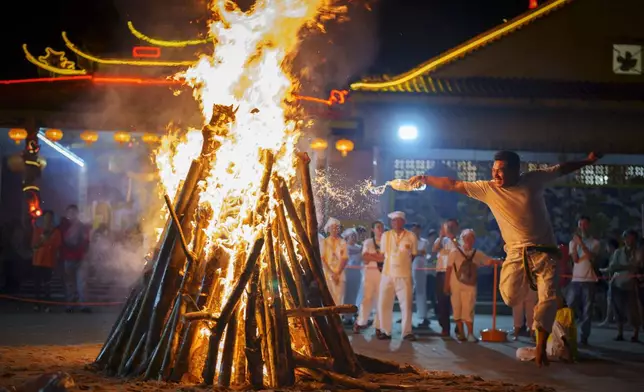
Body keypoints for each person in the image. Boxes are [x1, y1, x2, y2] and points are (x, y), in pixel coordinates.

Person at [410, 151, 603, 367]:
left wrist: (587, 161)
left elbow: (562, 168)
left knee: (547, 300)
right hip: (514, 254)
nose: (495, 174)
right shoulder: (488, 189)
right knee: (510, 297)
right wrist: (425, 178)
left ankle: (541, 347)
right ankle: (545, 302)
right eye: (493, 170)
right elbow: (453, 184)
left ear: (515, 170)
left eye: (500, 170)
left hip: (544, 252)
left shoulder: (533, 179)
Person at [444, 229, 497, 342]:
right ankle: (461, 333)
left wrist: (502, 262)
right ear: (462, 239)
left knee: (469, 308)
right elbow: (448, 269)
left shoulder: (477, 253)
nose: (469, 240)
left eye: (471, 238)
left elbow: (489, 261)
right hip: (455, 284)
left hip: (470, 286)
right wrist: (446, 285)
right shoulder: (454, 252)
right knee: (457, 308)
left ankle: (470, 334)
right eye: (466, 238)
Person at [377, 211, 418, 341]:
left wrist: (404, 264)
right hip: (387, 274)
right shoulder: (386, 235)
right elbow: (382, 254)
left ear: (404, 222)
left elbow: (414, 254)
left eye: (399, 220)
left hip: (404, 275)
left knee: (406, 305)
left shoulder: (411, 236)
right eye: (394, 221)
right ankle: (385, 331)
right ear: (391, 222)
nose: (396, 223)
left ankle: (407, 332)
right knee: (384, 303)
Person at [566, 216, 601, 345]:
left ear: (589, 226)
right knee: (569, 308)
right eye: (580, 225)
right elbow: (575, 260)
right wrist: (576, 245)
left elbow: (592, 258)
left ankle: (584, 337)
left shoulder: (595, 242)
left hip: (589, 280)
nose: (582, 227)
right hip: (576, 280)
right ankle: (567, 334)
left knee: (587, 310)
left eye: (585, 225)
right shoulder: (572, 242)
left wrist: (581, 244)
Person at [605, 229, 640, 342]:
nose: (628, 240)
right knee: (617, 310)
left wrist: (623, 267)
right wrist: (627, 267)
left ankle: (635, 333)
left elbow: (636, 266)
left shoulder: (638, 252)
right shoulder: (618, 252)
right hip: (617, 283)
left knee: (633, 310)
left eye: (630, 238)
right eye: (626, 238)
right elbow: (613, 266)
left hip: (631, 285)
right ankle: (620, 333)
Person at [354, 221, 385, 335]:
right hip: (369, 273)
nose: (380, 229)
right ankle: (360, 322)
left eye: (382, 227)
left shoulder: (387, 242)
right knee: (367, 299)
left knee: (381, 300)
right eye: (378, 227)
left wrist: (374, 257)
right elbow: (365, 258)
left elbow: (386, 258)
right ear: (373, 230)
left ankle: (378, 326)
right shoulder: (368, 242)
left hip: (383, 274)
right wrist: (379, 257)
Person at [59, 204, 90, 313]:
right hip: (68, 258)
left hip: (80, 258)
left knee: (82, 283)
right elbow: (62, 242)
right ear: (67, 214)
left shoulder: (82, 226)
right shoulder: (63, 226)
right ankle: (70, 305)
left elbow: (86, 241)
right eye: (70, 212)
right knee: (69, 283)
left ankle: (83, 305)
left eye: (74, 212)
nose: (72, 215)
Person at [31, 210, 62, 312]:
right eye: (46, 217)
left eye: (49, 217)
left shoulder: (56, 232)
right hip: (38, 261)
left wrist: (48, 241)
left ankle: (47, 304)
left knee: (47, 284)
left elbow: (57, 245)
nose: (47, 219)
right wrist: (41, 241)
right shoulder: (38, 230)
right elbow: (33, 244)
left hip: (49, 262)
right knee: (37, 284)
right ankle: (36, 304)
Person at [432, 219, 459, 336]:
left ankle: (460, 327)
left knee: (457, 302)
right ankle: (445, 328)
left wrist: (451, 236)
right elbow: (434, 249)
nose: (449, 228)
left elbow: (459, 249)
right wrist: (442, 236)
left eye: (452, 226)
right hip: (441, 273)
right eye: (448, 226)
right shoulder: (441, 240)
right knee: (442, 301)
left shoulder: (460, 239)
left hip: (456, 273)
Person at [320, 218, 348, 307]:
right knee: (328, 299)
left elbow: (345, 258)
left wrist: (337, 273)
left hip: (340, 274)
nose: (334, 229)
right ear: (328, 229)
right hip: (328, 274)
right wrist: (332, 273)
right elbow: (323, 259)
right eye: (332, 227)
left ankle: (338, 319)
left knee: (339, 299)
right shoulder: (324, 242)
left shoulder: (343, 242)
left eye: (336, 227)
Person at [410, 223, 431, 328]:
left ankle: (423, 317)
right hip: (409, 268)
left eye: (417, 230)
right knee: (408, 292)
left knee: (420, 291)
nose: (415, 232)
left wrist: (414, 252)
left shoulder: (424, 241)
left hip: (420, 268)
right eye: (413, 230)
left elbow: (423, 252)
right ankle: (407, 317)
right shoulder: (408, 242)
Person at [598, 238, 619, 327]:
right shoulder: (613, 255)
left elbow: (613, 268)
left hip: (615, 281)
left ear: (611, 246)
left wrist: (602, 270)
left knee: (611, 301)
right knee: (611, 301)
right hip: (613, 281)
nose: (606, 248)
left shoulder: (615, 255)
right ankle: (611, 318)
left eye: (607, 246)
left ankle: (608, 319)